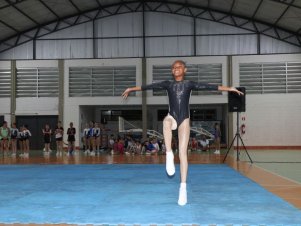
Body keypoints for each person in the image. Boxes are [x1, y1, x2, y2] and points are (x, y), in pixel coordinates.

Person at [122, 60, 243, 206]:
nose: (175, 69)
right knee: (166, 122)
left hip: (184, 119)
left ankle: (183, 188)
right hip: (172, 116)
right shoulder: (168, 84)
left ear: (184, 70)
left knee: (183, 154)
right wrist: (131, 88)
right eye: (173, 68)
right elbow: (147, 86)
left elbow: (209, 86)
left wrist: (230, 88)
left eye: (178, 67)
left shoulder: (189, 84)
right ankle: (168, 154)